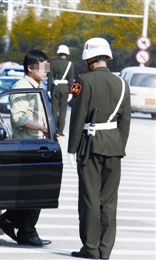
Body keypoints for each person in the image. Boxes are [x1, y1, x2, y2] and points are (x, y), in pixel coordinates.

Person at [67, 38, 131, 259]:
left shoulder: (83, 81)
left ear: (88, 58)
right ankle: (105, 249)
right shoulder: (123, 84)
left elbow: (77, 116)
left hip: (90, 145)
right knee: (109, 200)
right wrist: (119, 145)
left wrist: (71, 148)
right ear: (108, 57)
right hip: (114, 146)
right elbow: (125, 121)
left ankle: (91, 247)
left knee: (89, 198)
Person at [0, 50, 52, 247]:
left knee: (36, 191)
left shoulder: (37, 86)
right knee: (36, 191)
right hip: (27, 145)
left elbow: (39, 116)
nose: (46, 71)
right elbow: (20, 119)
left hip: (39, 144)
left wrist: (50, 130)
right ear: (30, 68)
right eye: (43, 67)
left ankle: (14, 222)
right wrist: (43, 128)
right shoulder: (21, 87)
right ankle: (24, 229)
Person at [49, 44, 74, 136]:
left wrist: (48, 90)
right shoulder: (70, 64)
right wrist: (71, 92)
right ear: (67, 54)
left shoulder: (51, 63)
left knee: (54, 110)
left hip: (55, 88)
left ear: (58, 53)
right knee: (63, 110)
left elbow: (50, 77)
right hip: (65, 89)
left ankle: (53, 129)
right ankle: (60, 131)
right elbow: (71, 79)